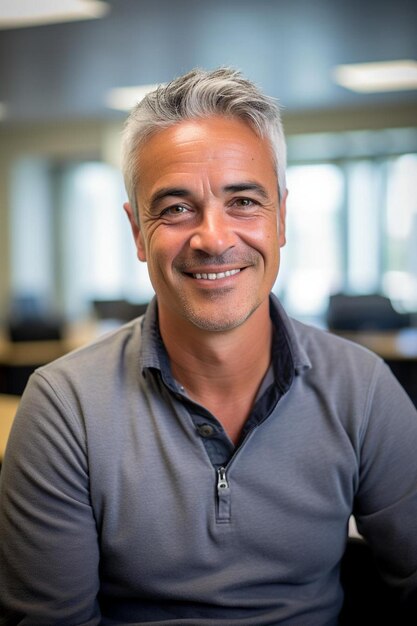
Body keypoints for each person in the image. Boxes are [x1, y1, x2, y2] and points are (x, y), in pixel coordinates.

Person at [0, 67, 416, 626]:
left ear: (282, 218)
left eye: (244, 200)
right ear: (137, 233)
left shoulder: (362, 389)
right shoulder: (63, 407)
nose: (214, 238)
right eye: (175, 208)